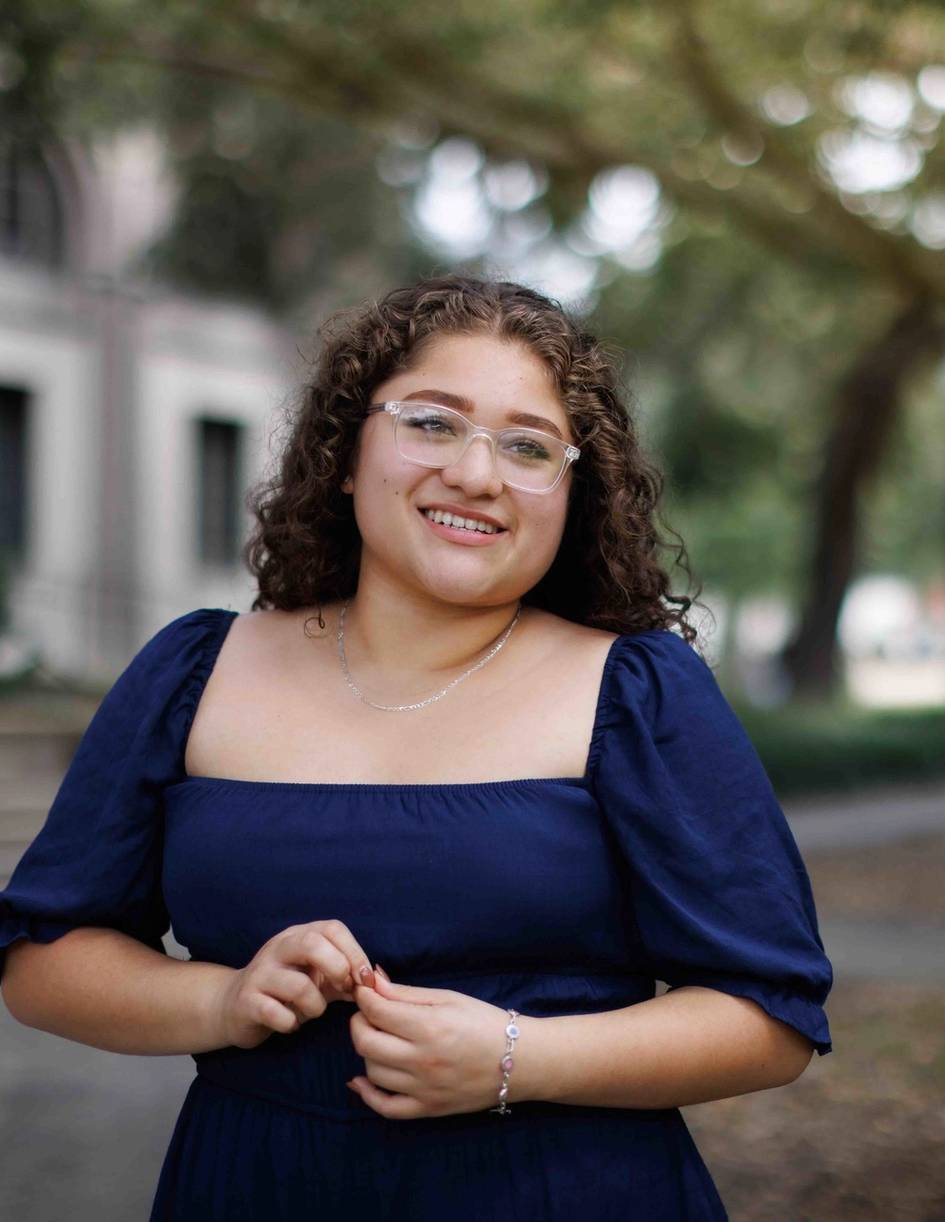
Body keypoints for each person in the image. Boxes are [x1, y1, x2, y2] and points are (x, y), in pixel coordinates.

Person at [0, 272, 833, 1220]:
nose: (477, 475)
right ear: (346, 452)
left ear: (573, 497)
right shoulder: (197, 671)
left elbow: (771, 1019)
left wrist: (518, 1058)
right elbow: (43, 962)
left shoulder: (636, 693)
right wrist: (222, 1001)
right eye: (431, 423)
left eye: (528, 446)